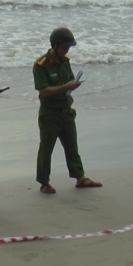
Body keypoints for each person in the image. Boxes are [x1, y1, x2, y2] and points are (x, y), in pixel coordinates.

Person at [32, 27, 102, 194]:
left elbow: (68, 80)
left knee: (72, 147)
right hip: (50, 113)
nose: (67, 50)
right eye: (64, 47)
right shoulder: (41, 65)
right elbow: (44, 91)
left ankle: (80, 177)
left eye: (69, 47)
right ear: (55, 45)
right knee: (46, 149)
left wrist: (72, 85)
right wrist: (66, 87)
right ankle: (44, 182)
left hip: (66, 110)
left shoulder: (65, 61)